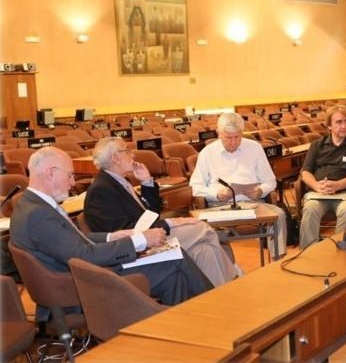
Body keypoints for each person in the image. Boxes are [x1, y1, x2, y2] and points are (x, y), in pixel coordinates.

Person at [10, 147, 212, 310]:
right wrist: (140, 240)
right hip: (80, 284)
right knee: (174, 261)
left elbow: (73, 241)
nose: (73, 182)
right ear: (50, 174)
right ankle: (212, 309)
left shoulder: (30, 204)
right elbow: (83, 255)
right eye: (70, 175)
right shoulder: (38, 214)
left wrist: (112, 236)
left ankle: (188, 325)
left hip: (79, 274)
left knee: (174, 269)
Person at [84, 137, 237, 286]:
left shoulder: (121, 181)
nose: (133, 155)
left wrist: (146, 182)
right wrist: (172, 222)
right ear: (116, 158)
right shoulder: (101, 189)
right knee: (203, 229)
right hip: (137, 248)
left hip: (150, 236)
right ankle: (234, 276)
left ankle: (218, 294)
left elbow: (152, 213)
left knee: (203, 250)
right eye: (127, 151)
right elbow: (125, 232)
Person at [190, 113, 287, 258]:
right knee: (211, 231)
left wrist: (260, 191)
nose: (233, 142)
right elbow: (195, 187)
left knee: (278, 215)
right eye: (228, 137)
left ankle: (277, 260)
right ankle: (228, 268)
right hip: (219, 206)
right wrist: (217, 194)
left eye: (237, 137)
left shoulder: (255, 148)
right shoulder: (207, 153)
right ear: (218, 133)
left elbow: (270, 181)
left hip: (253, 203)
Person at [299, 106, 346, 248]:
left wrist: (338, 185)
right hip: (319, 193)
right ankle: (308, 252)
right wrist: (316, 186)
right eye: (339, 122)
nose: (344, 126)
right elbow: (305, 172)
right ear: (329, 126)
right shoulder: (317, 145)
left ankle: (339, 250)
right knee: (310, 209)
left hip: (345, 193)